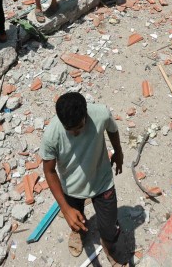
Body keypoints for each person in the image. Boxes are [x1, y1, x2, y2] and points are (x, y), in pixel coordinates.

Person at [41, 92, 126, 264]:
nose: (75, 134)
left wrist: (118, 152)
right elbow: (49, 172)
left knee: (109, 229)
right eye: (70, 130)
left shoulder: (101, 113)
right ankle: (78, 233)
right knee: (75, 219)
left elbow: (112, 129)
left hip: (102, 181)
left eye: (79, 128)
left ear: (86, 114)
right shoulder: (51, 135)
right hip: (71, 187)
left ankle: (108, 246)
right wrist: (65, 209)